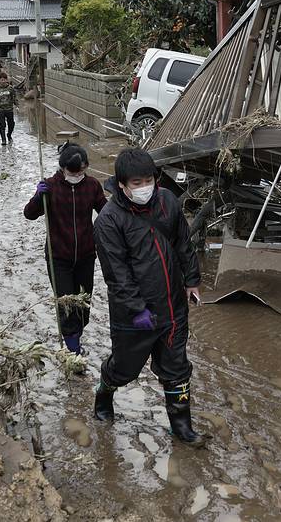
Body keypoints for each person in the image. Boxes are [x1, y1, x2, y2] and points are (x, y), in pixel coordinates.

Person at [93, 148, 204, 445]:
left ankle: (182, 427)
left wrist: (192, 280)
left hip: (172, 307)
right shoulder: (108, 221)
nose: (144, 188)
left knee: (177, 366)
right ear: (121, 185)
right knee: (124, 369)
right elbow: (116, 275)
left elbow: (183, 243)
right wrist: (137, 309)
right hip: (134, 317)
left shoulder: (167, 201)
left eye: (148, 180)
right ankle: (104, 390)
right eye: (136, 183)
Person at [24, 143, 107, 355]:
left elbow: (106, 214)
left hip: (86, 255)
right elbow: (30, 214)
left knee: (82, 305)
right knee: (66, 304)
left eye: (81, 171)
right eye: (72, 172)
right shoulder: (50, 187)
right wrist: (37, 197)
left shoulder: (92, 186)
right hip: (58, 256)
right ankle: (73, 352)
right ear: (63, 169)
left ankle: (75, 338)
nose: (77, 175)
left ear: (86, 167)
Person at [0, 72, 17, 145]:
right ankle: (3, 140)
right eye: (1, 80)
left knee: (11, 124)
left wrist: (17, 105)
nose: (3, 81)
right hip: (0, 109)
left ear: (6, 80)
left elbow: (14, 97)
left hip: (9, 109)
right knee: (2, 125)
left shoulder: (10, 88)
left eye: (4, 80)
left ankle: (9, 135)